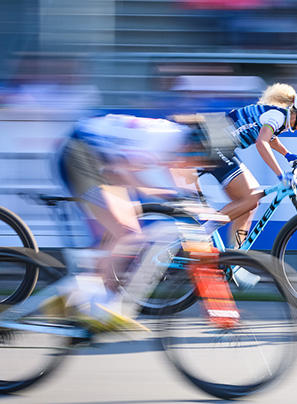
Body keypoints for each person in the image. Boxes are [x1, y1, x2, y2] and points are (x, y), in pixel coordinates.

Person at [56, 113, 227, 332]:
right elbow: (127, 175)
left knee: (127, 236)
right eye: (203, 159)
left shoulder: (179, 140)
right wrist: (169, 197)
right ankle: (91, 301)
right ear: (196, 145)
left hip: (103, 157)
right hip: (81, 152)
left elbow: (178, 179)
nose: (202, 166)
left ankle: (86, 298)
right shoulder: (160, 139)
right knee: (126, 233)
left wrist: (196, 204)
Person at [202, 83, 297, 288]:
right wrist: (281, 175)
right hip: (213, 144)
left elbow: (271, 138)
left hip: (219, 143)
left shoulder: (281, 118)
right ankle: (201, 234)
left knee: (251, 203)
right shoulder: (277, 116)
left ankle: (232, 261)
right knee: (250, 197)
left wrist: (289, 155)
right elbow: (262, 142)